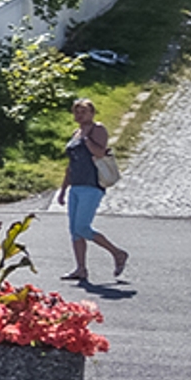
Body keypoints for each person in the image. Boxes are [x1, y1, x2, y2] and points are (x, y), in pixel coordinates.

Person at [60, 97, 129, 284]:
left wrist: (87, 139)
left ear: (92, 113)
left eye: (83, 111)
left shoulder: (97, 130)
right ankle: (81, 269)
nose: (80, 115)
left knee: (83, 227)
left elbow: (99, 153)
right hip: (76, 185)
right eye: (77, 111)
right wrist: (63, 189)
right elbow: (71, 165)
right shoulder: (76, 133)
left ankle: (117, 253)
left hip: (92, 186)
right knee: (74, 231)